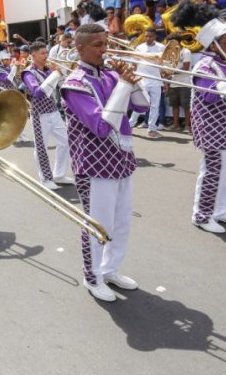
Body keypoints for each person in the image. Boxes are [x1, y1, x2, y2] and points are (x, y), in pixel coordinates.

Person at [61, 23, 148, 302]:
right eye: (98, 45)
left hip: (121, 158)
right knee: (98, 224)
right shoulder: (73, 84)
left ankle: (110, 269)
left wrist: (133, 82)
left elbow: (143, 106)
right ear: (80, 49)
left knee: (122, 221)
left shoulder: (112, 74)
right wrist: (123, 85)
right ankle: (92, 276)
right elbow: (100, 125)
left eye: (106, 42)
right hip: (94, 162)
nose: (105, 49)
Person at [174, 3, 226, 234]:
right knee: (213, 172)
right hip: (212, 127)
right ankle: (202, 215)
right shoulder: (205, 64)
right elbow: (211, 95)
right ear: (214, 44)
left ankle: (221, 211)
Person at [21, 41, 73, 188]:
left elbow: (61, 86)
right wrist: (55, 74)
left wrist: (61, 73)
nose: (46, 56)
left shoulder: (49, 70)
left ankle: (59, 174)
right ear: (33, 55)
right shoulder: (28, 73)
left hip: (54, 112)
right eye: (42, 53)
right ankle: (45, 178)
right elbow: (37, 92)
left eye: (46, 53)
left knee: (65, 141)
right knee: (41, 147)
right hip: (39, 115)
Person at [129, 29, 166, 138]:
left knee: (155, 106)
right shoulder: (140, 47)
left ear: (155, 36)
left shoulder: (161, 47)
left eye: (150, 36)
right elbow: (134, 63)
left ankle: (151, 129)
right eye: (146, 36)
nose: (148, 38)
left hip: (156, 80)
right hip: (142, 80)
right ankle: (130, 126)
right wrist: (134, 77)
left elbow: (164, 64)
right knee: (140, 104)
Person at [165, 34, 192, 131]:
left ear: (177, 42)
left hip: (185, 83)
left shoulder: (186, 52)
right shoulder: (170, 53)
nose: (168, 44)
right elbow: (167, 68)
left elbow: (186, 67)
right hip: (173, 83)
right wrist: (167, 82)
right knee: (174, 105)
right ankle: (176, 125)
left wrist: (171, 72)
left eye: (170, 42)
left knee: (186, 106)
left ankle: (187, 126)